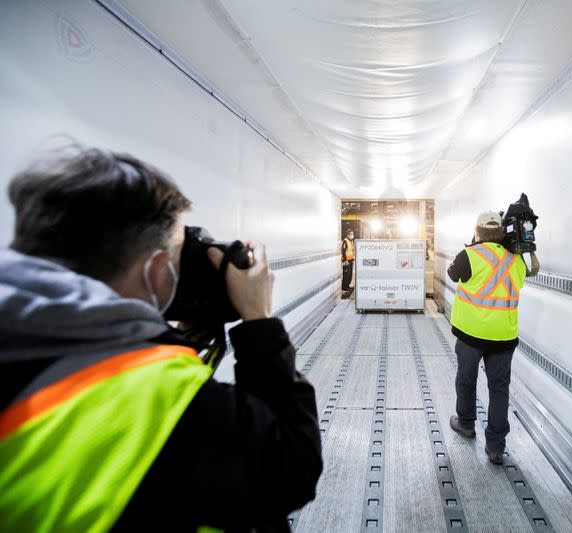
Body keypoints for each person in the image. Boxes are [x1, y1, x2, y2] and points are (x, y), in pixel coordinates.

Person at [0, 146, 322, 532]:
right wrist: (258, 319)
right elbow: (290, 470)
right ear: (155, 270)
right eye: (176, 256)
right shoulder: (158, 393)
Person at [447, 210, 539, 464]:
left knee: (466, 380)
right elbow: (522, 278)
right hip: (503, 337)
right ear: (501, 231)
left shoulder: (470, 255)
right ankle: (496, 446)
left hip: (471, 335)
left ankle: (466, 423)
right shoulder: (516, 260)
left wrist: (474, 245)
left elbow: (453, 274)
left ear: (477, 230)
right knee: (499, 389)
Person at [341, 229, 355, 296]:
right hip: (346, 261)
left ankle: (348, 286)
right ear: (347, 235)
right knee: (346, 275)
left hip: (350, 260)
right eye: (351, 234)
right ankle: (344, 287)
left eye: (352, 234)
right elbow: (343, 251)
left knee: (350, 275)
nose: (352, 235)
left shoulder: (350, 241)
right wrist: (345, 260)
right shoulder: (345, 241)